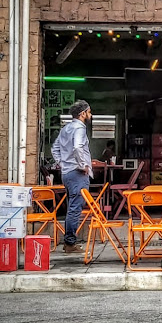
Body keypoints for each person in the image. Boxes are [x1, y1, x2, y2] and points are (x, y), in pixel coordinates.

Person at [52, 100, 93, 254]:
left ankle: (69, 241)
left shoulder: (66, 128)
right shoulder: (79, 128)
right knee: (75, 208)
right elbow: (77, 147)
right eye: (89, 112)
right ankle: (70, 243)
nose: (90, 115)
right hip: (77, 174)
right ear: (82, 114)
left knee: (72, 207)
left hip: (67, 173)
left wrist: (63, 163)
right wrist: (83, 165)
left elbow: (55, 148)